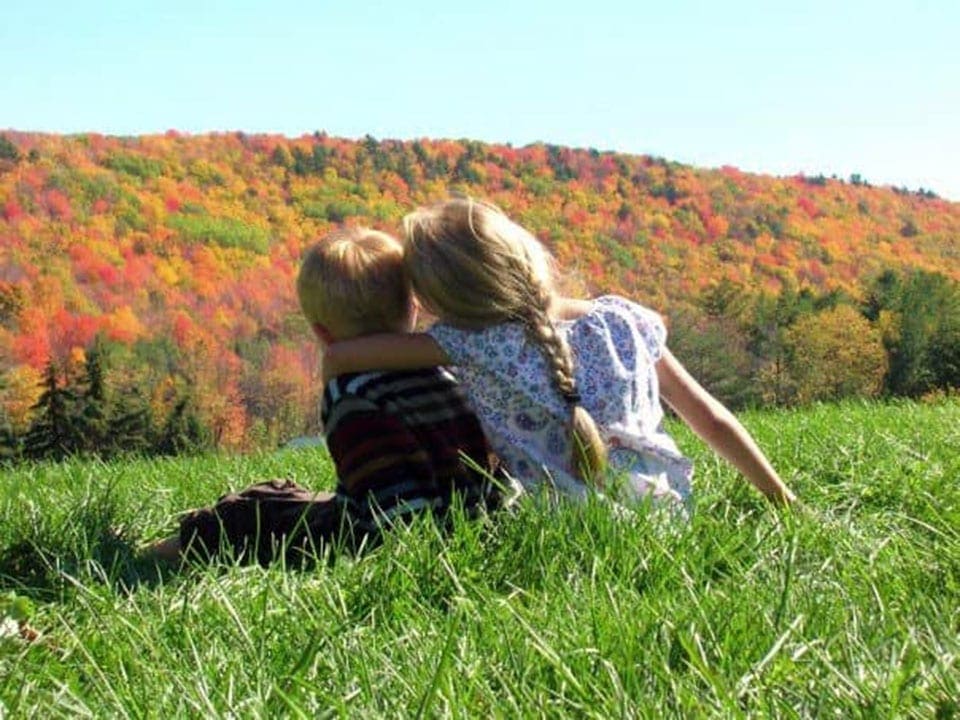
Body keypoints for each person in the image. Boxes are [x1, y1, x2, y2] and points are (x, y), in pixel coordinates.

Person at [322, 198, 797, 512]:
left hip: (553, 531)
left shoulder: (470, 343)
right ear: (525, 253)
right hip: (666, 519)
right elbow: (711, 419)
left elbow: (344, 356)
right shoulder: (625, 320)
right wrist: (783, 500)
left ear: (437, 301)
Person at [148, 227, 508, 565]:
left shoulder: (353, 396)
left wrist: (414, 555)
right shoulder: (443, 373)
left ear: (321, 332)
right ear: (413, 309)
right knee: (280, 492)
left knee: (248, 514)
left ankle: (152, 553)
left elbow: (393, 506)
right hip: (470, 523)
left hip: (369, 541)